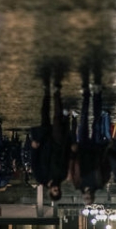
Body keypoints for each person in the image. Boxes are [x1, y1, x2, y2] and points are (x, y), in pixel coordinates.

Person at [30, 70, 71, 200]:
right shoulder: (62, 176)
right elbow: (66, 158)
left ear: (50, 191)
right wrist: (68, 143)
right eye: (58, 190)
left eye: (54, 191)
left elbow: (34, 163)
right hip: (57, 143)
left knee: (44, 115)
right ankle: (57, 93)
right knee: (57, 119)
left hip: (44, 144)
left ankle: (46, 93)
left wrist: (34, 148)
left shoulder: (41, 177)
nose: (56, 188)